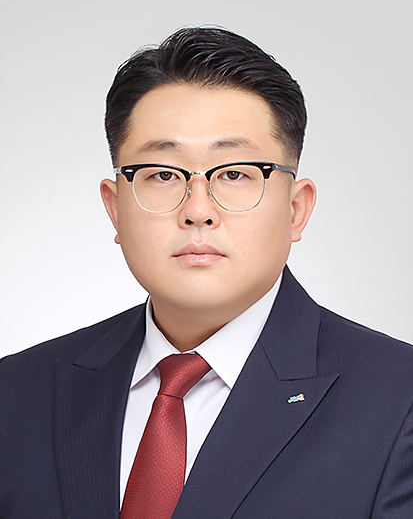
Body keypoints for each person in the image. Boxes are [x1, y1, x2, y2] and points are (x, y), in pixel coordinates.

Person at [1, 27, 412, 519]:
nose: (197, 211)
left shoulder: (398, 400)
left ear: (296, 209)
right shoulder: (16, 393)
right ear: (115, 209)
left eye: (235, 173)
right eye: (162, 174)